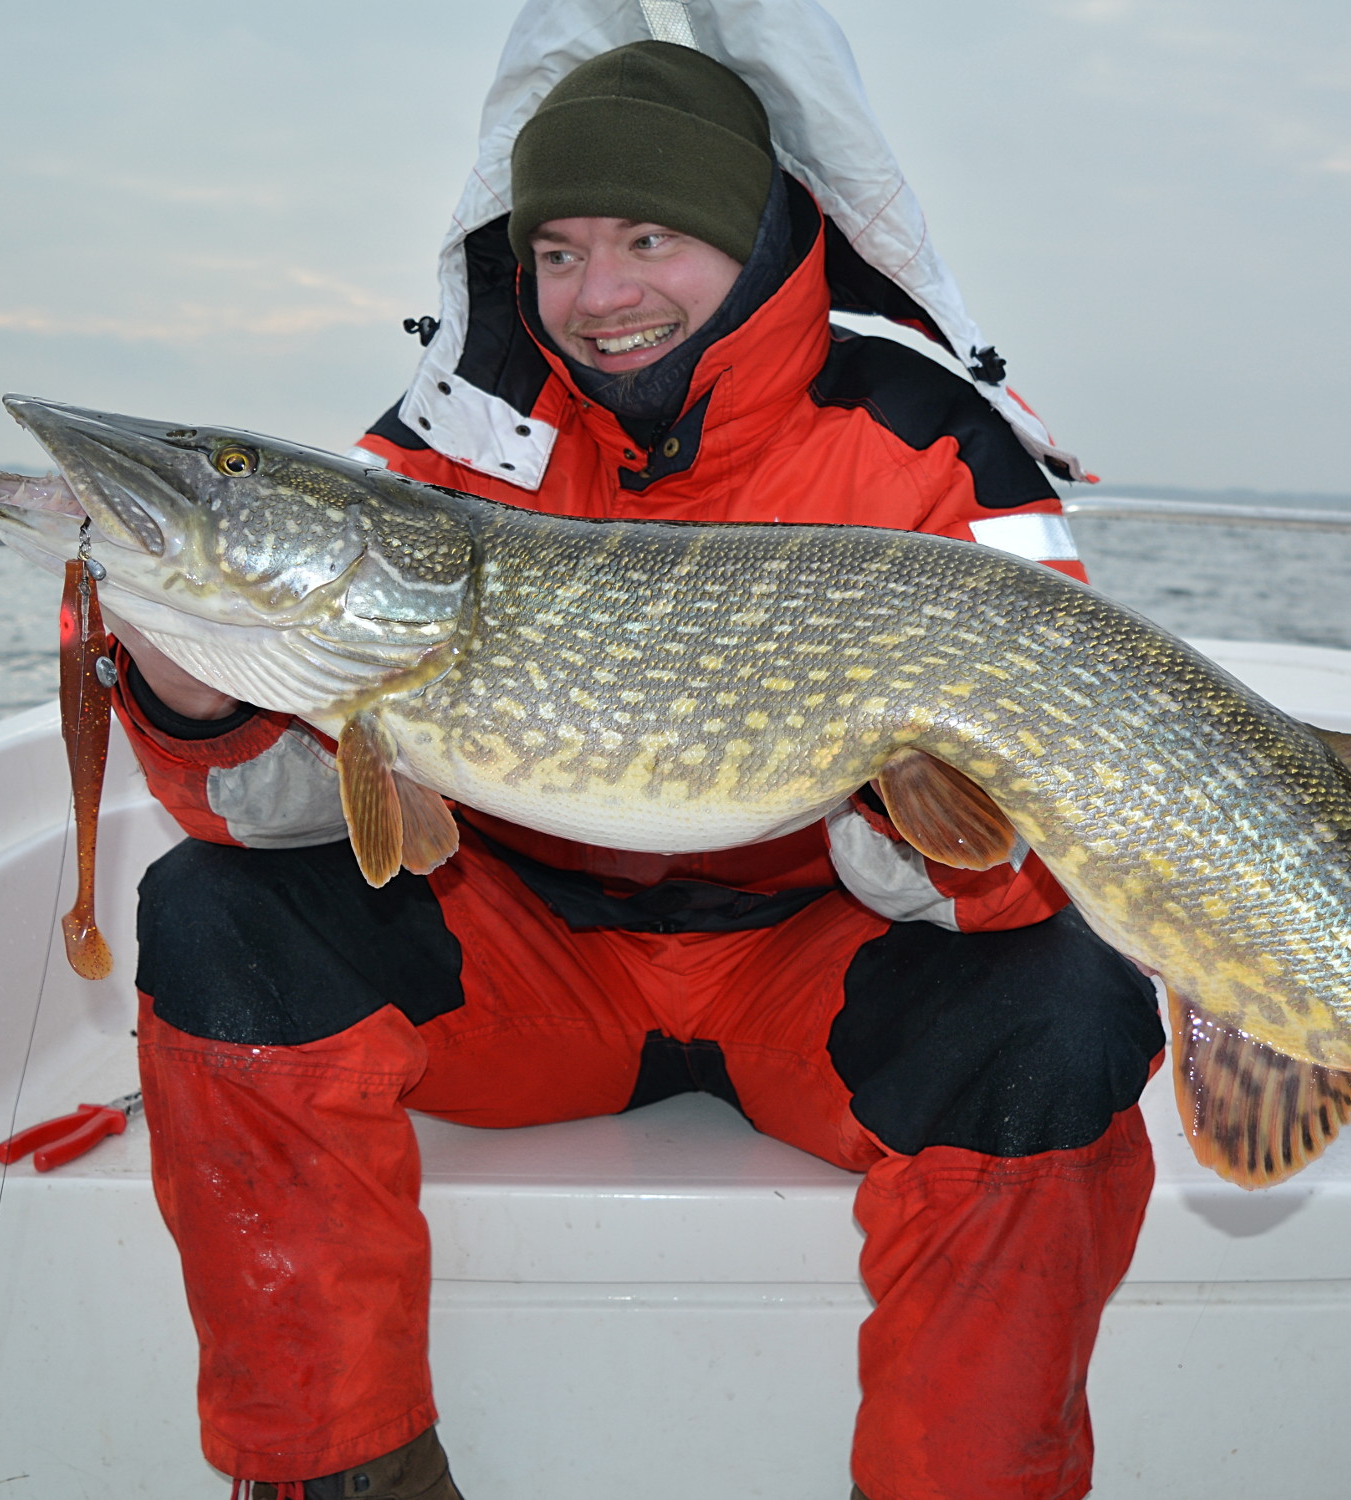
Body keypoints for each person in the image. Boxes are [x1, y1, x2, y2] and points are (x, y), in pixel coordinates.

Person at [110, 35, 1165, 1500]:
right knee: (214, 916)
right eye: (555, 250)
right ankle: (340, 1475)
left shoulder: (936, 447)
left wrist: (906, 809)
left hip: (824, 961)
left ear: (752, 241)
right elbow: (277, 812)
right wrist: (196, 695)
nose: (597, 296)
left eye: (648, 239)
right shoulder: (448, 441)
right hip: (531, 960)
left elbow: (1050, 846)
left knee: (1065, 1004)